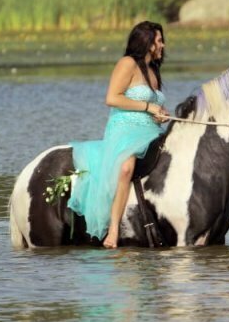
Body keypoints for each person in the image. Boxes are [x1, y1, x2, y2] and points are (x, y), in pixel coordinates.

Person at [68, 21, 170, 248]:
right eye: (159, 41)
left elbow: (150, 106)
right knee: (126, 168)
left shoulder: (153, 70)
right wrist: (147, 107)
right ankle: (113, 230)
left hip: (151, 130)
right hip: (125, 128)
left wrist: (159, 114)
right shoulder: (127, 64)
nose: (163, 45)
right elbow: (112, 98)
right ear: (147, 42)